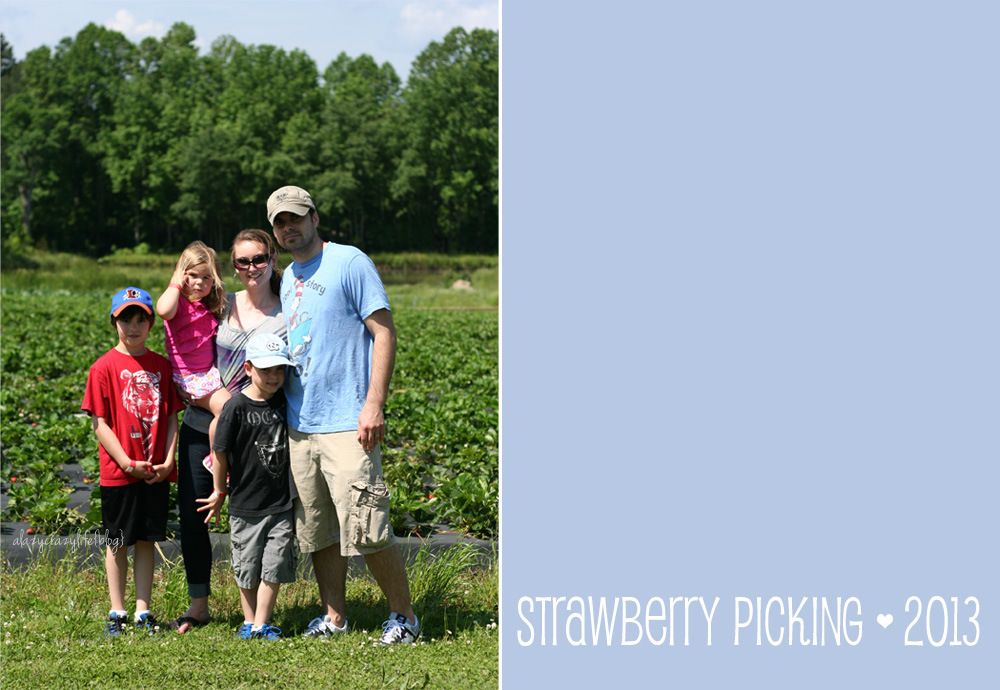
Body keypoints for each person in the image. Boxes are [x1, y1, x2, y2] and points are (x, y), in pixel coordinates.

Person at [267, 184, 419, 644]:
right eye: (280, 222)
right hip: (302, 424)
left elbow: (384, 332)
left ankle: (404, 617)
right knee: (318, 531)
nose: (288, 227)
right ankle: (334, 616)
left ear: (315, 217)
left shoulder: (349, 262)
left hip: (348, 422)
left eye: (295, 217)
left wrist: (373, 404)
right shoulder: (289, 275)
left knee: (368, 526)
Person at [173, 229, 286, 634]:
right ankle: (198, 603)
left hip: (259, 430)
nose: (251, 267)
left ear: (272, 257)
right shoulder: (222, 303)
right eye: (243, 261)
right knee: (194, 514)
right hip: (203, 419)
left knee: (257, 515)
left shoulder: (287, 310)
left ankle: (256, 612)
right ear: (233, 267)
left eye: (258, 259)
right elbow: (181, 336)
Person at [81, 287, 183, 636]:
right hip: (119, 472)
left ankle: (143, 609)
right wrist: (125, 461)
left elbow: (170, 417)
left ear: (151, 323)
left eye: (141, 319)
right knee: (117, 540)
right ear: (114, 321)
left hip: (154, 472)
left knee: (146, 540)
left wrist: (169, 459)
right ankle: (117, 610)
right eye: (126, 318)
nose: (134, 326)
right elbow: (100, 423)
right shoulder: (103, 368)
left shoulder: (161, 367)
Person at [197, 332, 296, 640]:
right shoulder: (235, 407)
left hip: (281, 504)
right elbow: (220, 453)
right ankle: (249, 620)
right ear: (249, 368)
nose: (274, 377)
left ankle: (261, 624)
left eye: (279, 369)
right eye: (266, 370)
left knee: (274, 565)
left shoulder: (285, 403)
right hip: (244, 505)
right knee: (247, 568)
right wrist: (219, 491)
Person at [156, 241, 230, 470]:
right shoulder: (177, 303)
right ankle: (216, 458)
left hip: (206, 373)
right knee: (226, 408)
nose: (199, 282)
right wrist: (176, 283)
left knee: (231, 407)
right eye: (193, 275)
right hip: (190, 377)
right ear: (181, 274)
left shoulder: (207, 306)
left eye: (207, 278)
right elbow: (163, 310)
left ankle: (218, 453)